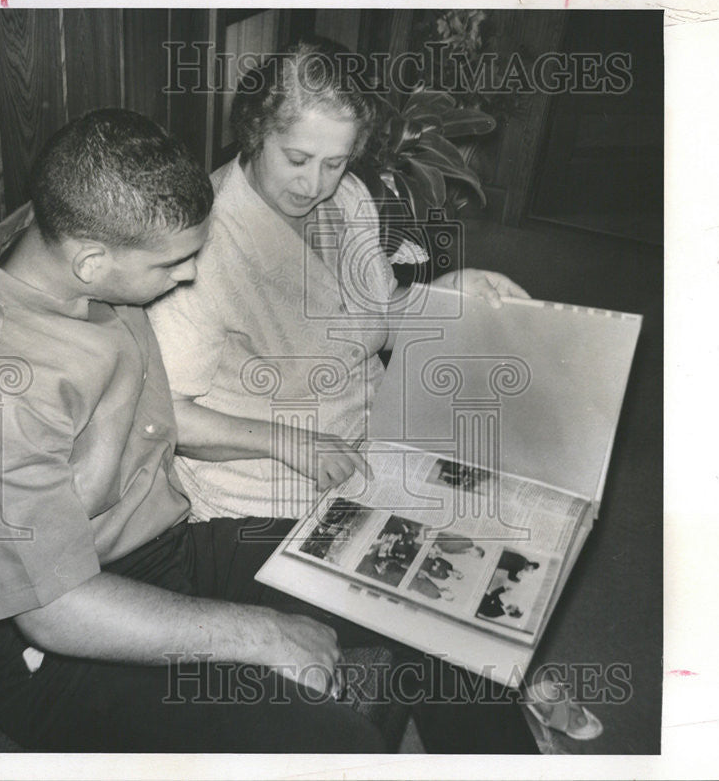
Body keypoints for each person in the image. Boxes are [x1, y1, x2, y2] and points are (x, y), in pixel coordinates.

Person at [0, 109, 404, 753]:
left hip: (169, 546)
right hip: (59, 636)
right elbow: (55, 610)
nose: (190, 276)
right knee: (341, 749)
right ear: (91, 261)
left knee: (406, 585)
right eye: (172, 264)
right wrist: (262, 633)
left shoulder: (56, 229)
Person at [146, 37, 530, 524]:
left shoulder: (347, 198)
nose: (315, 186)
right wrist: (294, 444)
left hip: (375, 438)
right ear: (254, 133)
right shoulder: (200, 245)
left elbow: (379, 314)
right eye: (297, 159)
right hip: (267, 483)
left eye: (335, 162)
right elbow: (168, 417)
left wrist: (447, 292)